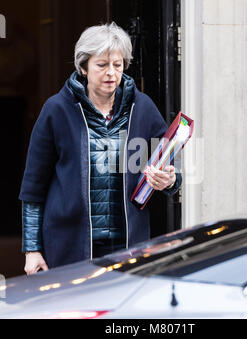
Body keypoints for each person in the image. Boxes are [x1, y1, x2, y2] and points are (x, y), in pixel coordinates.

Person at [19, 22, 182, 276]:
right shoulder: (56, 110)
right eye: (101, 65)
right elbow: (33, 189)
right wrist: (32, 250)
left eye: (117, 65)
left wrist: (169, 179)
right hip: (69, 246)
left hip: (129, 246)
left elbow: (172, 170)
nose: (111, 73)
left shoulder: (143, 108)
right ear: (83, 67)